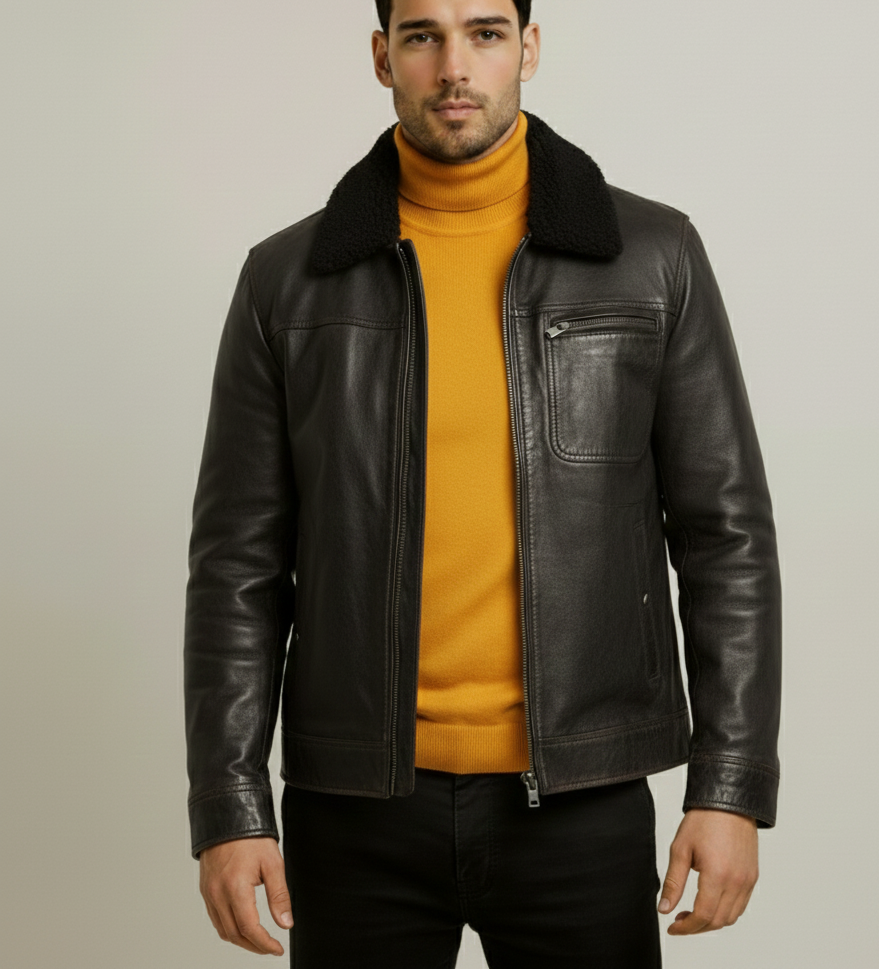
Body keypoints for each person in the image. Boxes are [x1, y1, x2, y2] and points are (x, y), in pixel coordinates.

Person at [183, 1, 782, 965]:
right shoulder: (284, 280)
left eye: (486, 32)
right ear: (382, 57)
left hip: (580, 802)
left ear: (528, 48)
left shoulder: (652, 255)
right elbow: (236, 568)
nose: (454, 65)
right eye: (422, 35)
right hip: (356, 810)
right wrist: (230, 803)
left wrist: (730, 786)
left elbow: (726, 539)